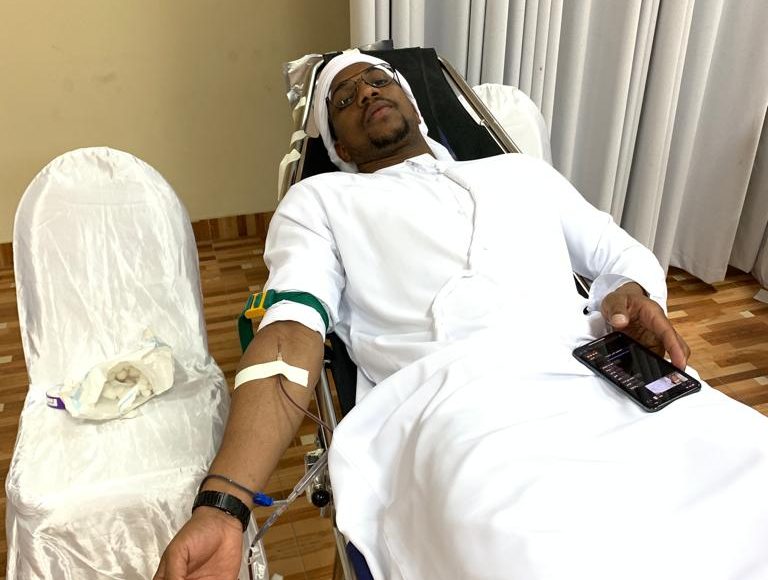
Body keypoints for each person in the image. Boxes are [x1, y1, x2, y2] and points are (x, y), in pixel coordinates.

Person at [155, 52, 768, 580]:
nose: (366, 92)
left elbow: (620, 254)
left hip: (598, 371)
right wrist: (223, 504)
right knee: (536, 556)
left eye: (378, 80)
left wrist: (628, 292)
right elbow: (291, 328)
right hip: (460, 405)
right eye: (344, 97)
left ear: (414, 105)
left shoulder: (520, 173)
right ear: (337, 146)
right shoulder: (321, 200)